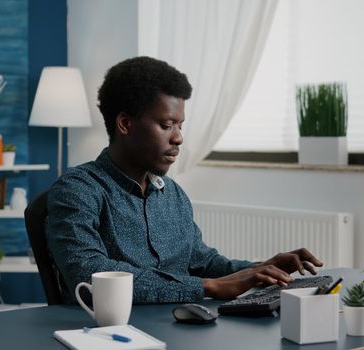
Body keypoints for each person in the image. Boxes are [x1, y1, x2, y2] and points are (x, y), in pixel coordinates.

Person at [46, 56, 323, 304]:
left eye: (180, 126)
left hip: (180, 329)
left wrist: (260, 269)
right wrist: (208, 287)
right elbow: (89, 273)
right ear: (125, 124)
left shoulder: (173, 195)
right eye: (166, 126)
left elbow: (203, 262)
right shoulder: (77, 190)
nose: (178, 138)